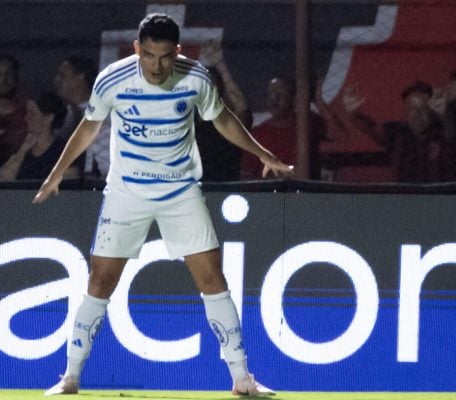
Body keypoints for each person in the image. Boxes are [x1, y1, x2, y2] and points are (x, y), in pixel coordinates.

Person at [33, 13, 292, 396]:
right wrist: (56, 174)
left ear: (178, 51)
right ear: (137, 48)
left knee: (213, 279)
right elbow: (89, 127)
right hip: (127, 193)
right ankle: (69, 377)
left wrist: (262, 153)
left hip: (180, 191)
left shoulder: (196, 78)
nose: (156, 66)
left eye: (165, 56)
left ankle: (242, 379)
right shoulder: (113, 80)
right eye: (149, 55)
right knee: (99, 282)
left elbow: (223, 119)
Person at [343, 80, 449, 183]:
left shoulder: (443, 130)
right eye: (412, 109)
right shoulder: (398, 132)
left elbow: (452, 135)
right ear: (405, 112)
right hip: (403, 192)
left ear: (433, 110)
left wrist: (444, 116)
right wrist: (354, 114)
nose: (417, 114)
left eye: (424, 108)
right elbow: (372, 127)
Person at [240, 76, 344, 180]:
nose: (274, 100)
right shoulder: (258, 133)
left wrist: (319, 102)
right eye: (270, 95)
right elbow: (247, 175)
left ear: (294, 99)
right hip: (272, 188)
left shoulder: (308, 122)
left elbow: (339, 137)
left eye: (280, 94)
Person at [195, 39, 251, 181]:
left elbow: (240, 104)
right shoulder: (189, 125)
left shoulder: (229, 124)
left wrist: (220, 64)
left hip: (225, 185)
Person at [54, 55, 110, 181]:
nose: (57, 80)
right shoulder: (66, 115)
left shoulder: (103, 116)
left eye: (62, 76)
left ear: (80, 77)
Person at [0, 91, 75, 180]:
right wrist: (23, 150)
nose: (26, 118)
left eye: (32, 114)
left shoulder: (64, 150)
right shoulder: (23, 148)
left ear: (48, 118)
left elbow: (69, 180)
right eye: (27, 113)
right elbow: (4, 177)